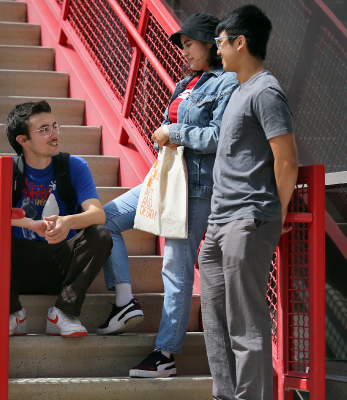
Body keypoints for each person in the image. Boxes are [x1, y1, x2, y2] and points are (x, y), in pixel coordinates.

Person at [96, 13, 239, 378]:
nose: (184, 52)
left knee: (175, 271)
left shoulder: (227, 84)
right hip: (165, 179)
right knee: (104, 219)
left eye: (189, 44)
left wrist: (175, 131)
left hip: (194, 190)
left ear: (210, 43)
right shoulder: (185, 83)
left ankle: (166, 354)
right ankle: (125, 302)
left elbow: (219, 138)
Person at [198, 5, 299, 399]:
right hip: (219, 224)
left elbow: (287, 159)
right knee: (217, 324)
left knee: (246, 324)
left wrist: (278, 212)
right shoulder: (239, 90)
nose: (216, 50)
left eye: (220, 43)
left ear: (240, 42)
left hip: (248, 220)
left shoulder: (267, 90)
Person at [6, 100, 113, 338]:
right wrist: (31, 224)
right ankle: (12, 313)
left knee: (100, 235)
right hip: (19, 266)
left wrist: (68, 223)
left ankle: (62, 313)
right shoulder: (8, 172)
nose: (54, 134)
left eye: (54, 126)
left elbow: (98, 214)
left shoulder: (73, 166)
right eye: (44, 130)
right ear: (22, 140)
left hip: (61, 263)